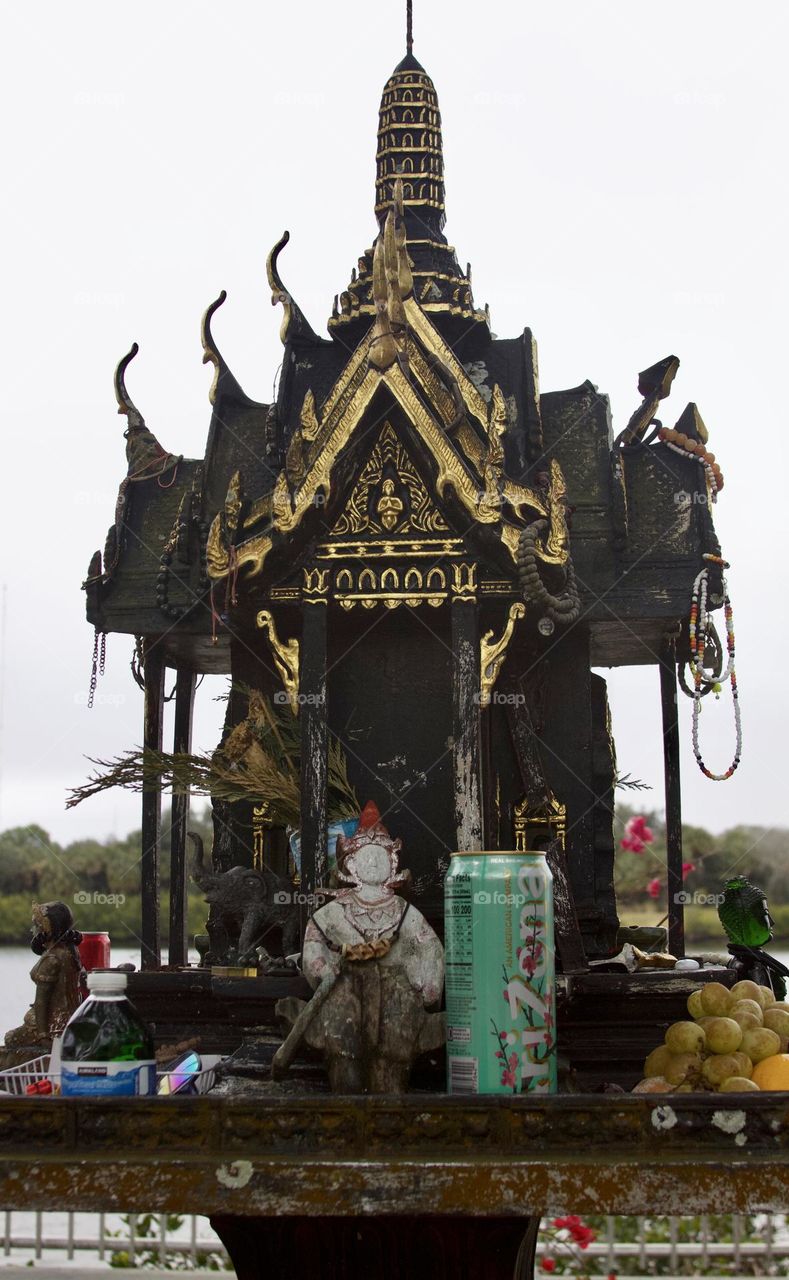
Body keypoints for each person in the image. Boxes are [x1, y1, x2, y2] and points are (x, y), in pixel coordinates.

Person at [297, 802, 444, 1092]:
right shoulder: (333, 912)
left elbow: (430, 947)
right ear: (351, 865)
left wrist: (427, 982)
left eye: (380, 856)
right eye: (367, 856)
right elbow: (314, 943)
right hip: (345, 993)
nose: (374, 863)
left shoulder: (403, 911)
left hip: (396, 998)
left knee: (394, 1057)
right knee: (343, 1050)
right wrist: (321, 968)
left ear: (393, 864)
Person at [4, 902, 84, 1052]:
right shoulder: (70, 951)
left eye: (36, 925)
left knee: (10, 1038)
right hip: (71, 1020)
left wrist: (43, 1036)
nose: (33, 930)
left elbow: (41, 1001)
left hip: (54, 1025)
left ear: (46, 927)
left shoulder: (52, 959)